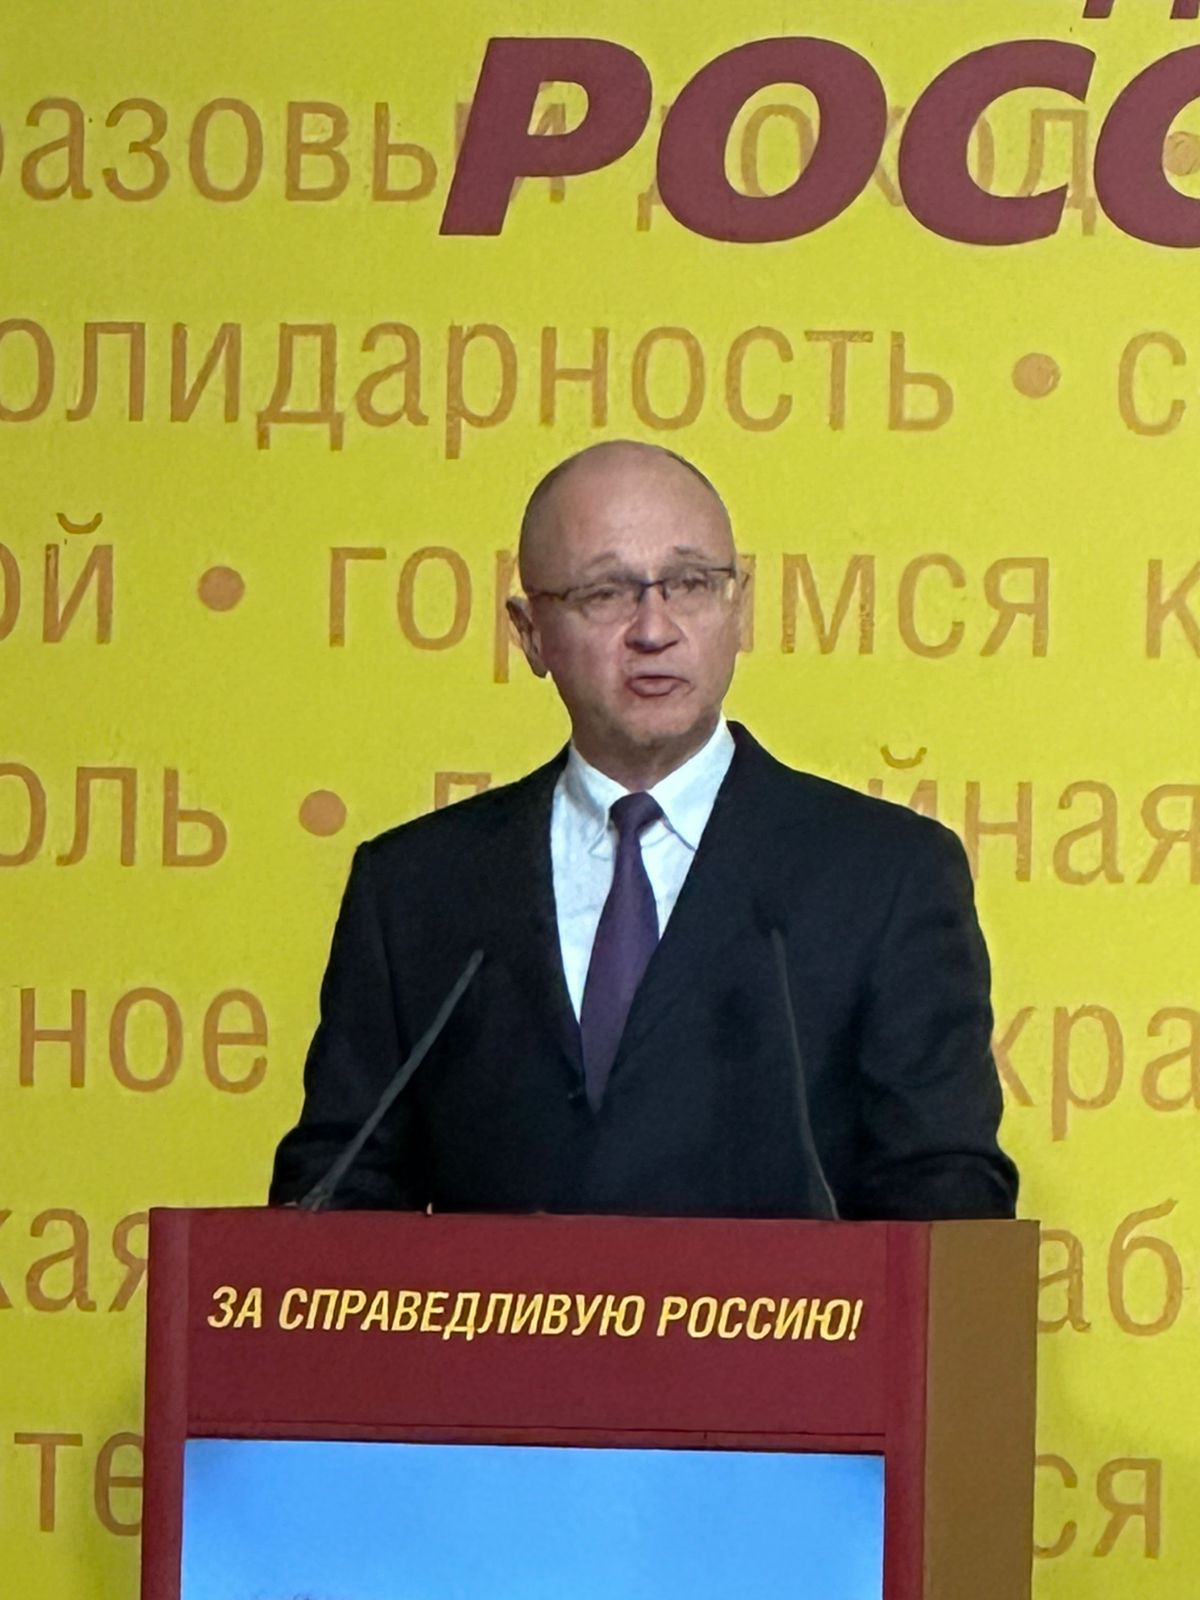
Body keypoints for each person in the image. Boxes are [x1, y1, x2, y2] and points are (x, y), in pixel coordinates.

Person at [270, 440, 1017, 1219]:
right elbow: (337, 1189)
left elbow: (947, 1195)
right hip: (491, 1308)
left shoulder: (884, 876)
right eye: (605, 593)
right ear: (530, 633)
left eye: (690, 584)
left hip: (792, 1306)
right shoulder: (415, 890)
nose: (654, 629)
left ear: (739, 607)